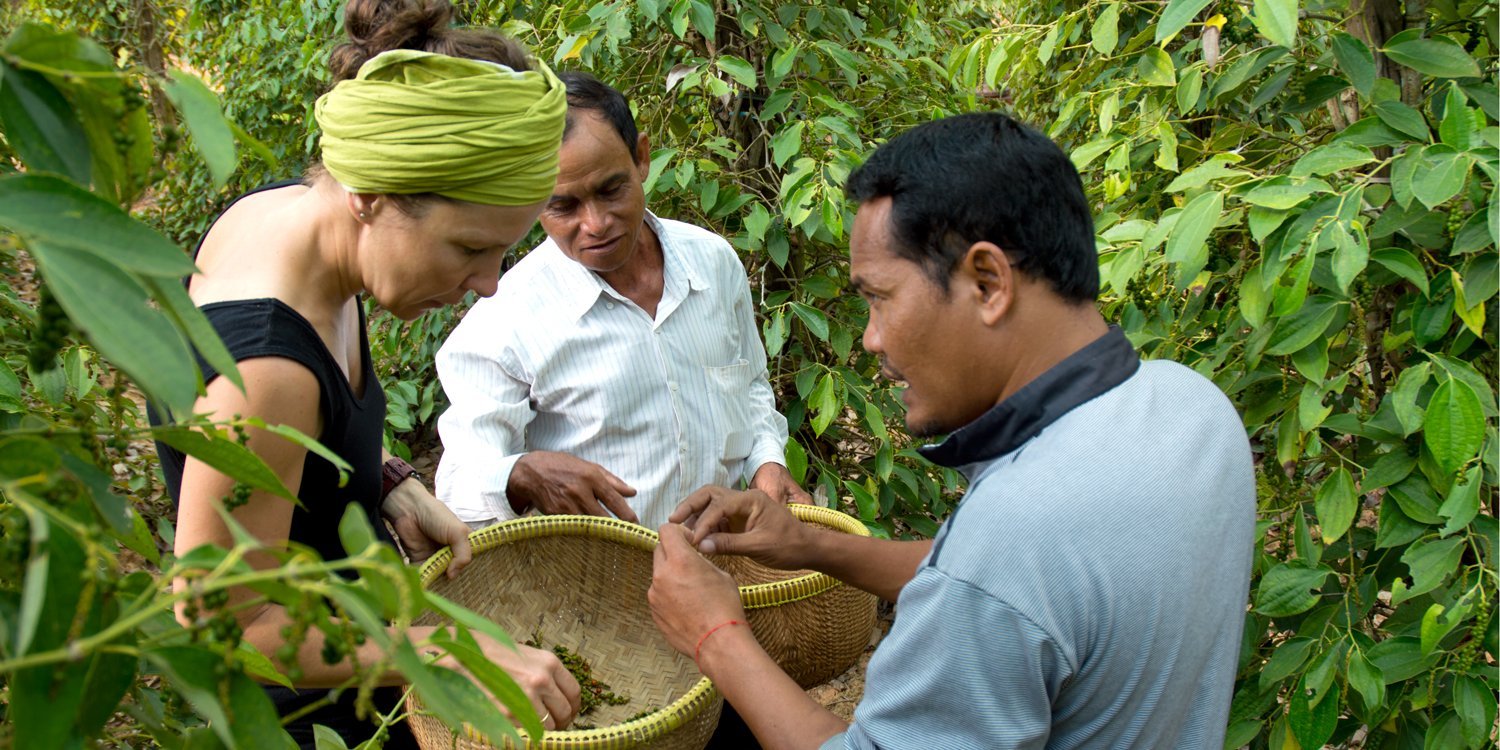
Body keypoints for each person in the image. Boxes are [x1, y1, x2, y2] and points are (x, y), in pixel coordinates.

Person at [647, 112, 1257, 749]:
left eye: (879, 297)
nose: (871, 337)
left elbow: (998, 583)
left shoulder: (1017, 533)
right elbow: (1023, 596)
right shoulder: (1193, 407)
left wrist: (714, 636)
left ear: (988, 282)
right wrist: (810, 546)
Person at [151, 1, 582, 746]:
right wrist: (447, 653)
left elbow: (287, 453)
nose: (487, 283)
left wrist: (382, 477)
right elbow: (225, 625)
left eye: (503, 252)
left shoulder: (283, 218)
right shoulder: (268, 367)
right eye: (469, 249)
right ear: (372, 196)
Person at [434, 71, 808, 530]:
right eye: (563, 206)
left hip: (722, 567)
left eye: (611, 190)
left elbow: (750, 385)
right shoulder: (504, 320)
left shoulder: (712, 263)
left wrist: (766, 462)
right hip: (595, 589)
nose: (595, 223)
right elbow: (457, 486)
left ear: (642, 158)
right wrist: (519, 475)